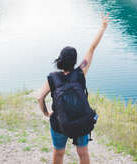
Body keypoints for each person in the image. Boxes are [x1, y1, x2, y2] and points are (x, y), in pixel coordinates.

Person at [37, 14, 109, 164]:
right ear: (75, 61)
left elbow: (40, 97)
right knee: (83, 152)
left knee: (58, 153)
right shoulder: (80, 72)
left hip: (59, 121)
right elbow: (92, 48)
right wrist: (102, 27)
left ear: (60, 60)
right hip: (80, 119)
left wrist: (47, 113)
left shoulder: (53, 78)